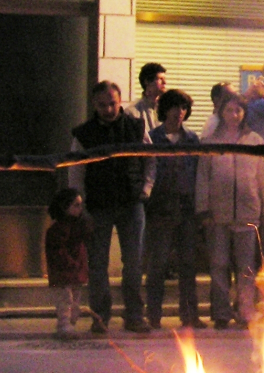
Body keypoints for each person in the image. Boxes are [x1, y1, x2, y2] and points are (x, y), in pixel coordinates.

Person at [68, 80, 151, 334]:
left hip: (131, 202)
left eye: (112, 103)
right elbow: (75, 170)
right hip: (98, 204)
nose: (108, 109)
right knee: (97, 264)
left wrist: (146, 189)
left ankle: (134, 315)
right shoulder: (84, 134)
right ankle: (100, 316)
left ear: (120, 100)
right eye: (102, 105)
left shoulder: (136, 128)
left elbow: (151, 158)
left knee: (134, 262)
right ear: (94, 104)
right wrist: (80, 204)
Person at [196, 92, 264, 329]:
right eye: (229, 110)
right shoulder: (211, 143)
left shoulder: (255, 141)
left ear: (244, 114)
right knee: (219, 265)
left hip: (248, 212)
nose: (234, 115)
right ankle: (221, 312)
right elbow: (203, 177)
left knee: (246, 267)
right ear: (221, 113)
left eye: (238, 111)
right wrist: (203, 209)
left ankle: (245, 311)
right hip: (218, 214)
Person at [143, 89, 205, 330]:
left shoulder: (192, 139)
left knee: (188, 263)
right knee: (157, 264)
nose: (179, 112)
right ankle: (154, 314)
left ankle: (189, 314)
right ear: (164, 109)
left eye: (183, 108)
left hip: (187, 206)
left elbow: (199, 172)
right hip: (160, 206)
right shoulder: (152, 138)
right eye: (174, 107)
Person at [46, 187, 90, 339]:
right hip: (63, 272)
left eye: (80, 205)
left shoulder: (79, 226)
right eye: (75, 205)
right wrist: (70, 263)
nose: (79, 209)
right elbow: (57, 251)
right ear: (65, 207)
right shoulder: (58, 230)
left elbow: (82, 247)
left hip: (75, 270)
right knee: (65, 300)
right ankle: (64, 325)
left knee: (75, 301)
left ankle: (70, 324)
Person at [125, 63, 166, 133]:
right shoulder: (132, 112)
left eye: (164, 79)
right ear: (147, 81)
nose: (165, 82)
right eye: (160, 79)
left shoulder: (168, 109)